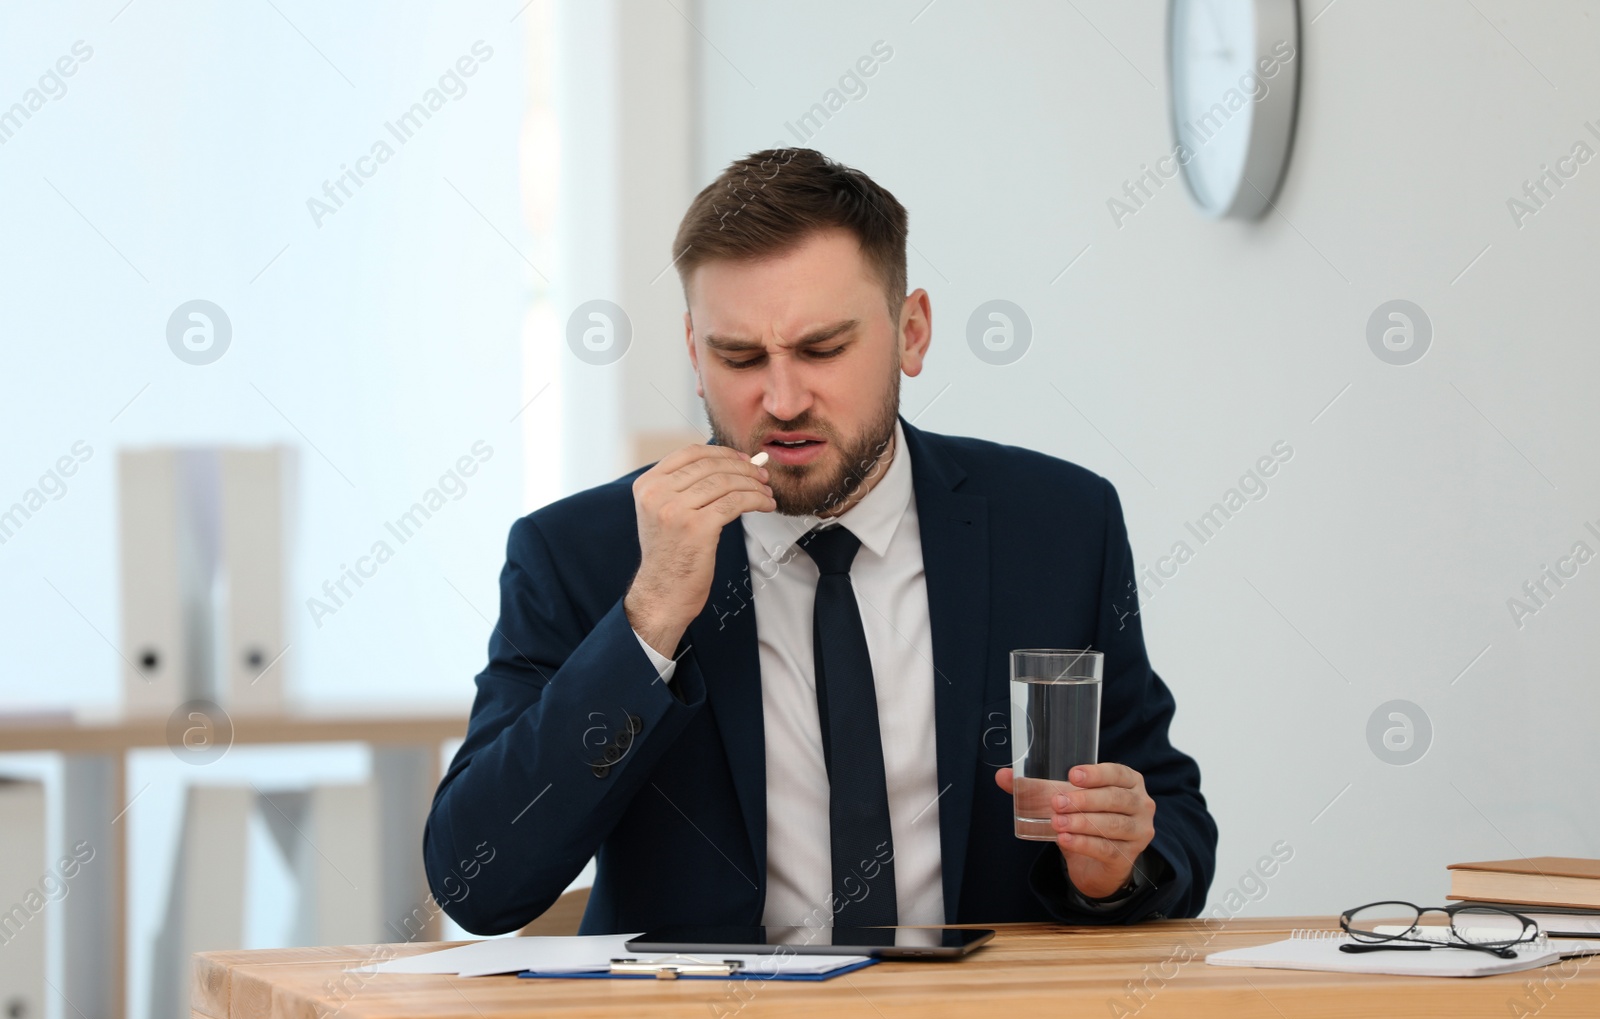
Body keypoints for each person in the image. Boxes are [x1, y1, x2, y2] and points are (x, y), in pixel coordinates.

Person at [423, 148, 1217, 936]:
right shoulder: (581, 552)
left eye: (822, 349)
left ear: (911, 333)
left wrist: (1117, 866)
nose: (783, 397)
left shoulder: (1058, 525)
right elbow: (478, 880)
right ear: (696, 356)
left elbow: (1169, 814)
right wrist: (650, 617)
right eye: (739, 357)